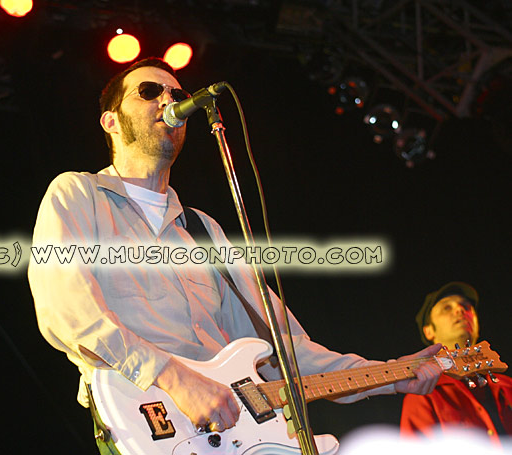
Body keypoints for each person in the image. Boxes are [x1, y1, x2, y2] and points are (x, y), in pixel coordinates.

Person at [28, 57, 442, 450]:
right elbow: (68, 311)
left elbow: (284, 348)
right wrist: (176, 378)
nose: (168, 99)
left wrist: (389, 375)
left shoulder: (203, 230)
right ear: (111, 121)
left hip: (233, 432)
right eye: (149, 91)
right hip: (148, 421)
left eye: (177, 93)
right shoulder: (78, 193)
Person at [400, 282, 512, 442]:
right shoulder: (423, 395)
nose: (460, 310)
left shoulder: (508, 385)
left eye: (466, 307)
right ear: (429, 331)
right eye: (447, 308)